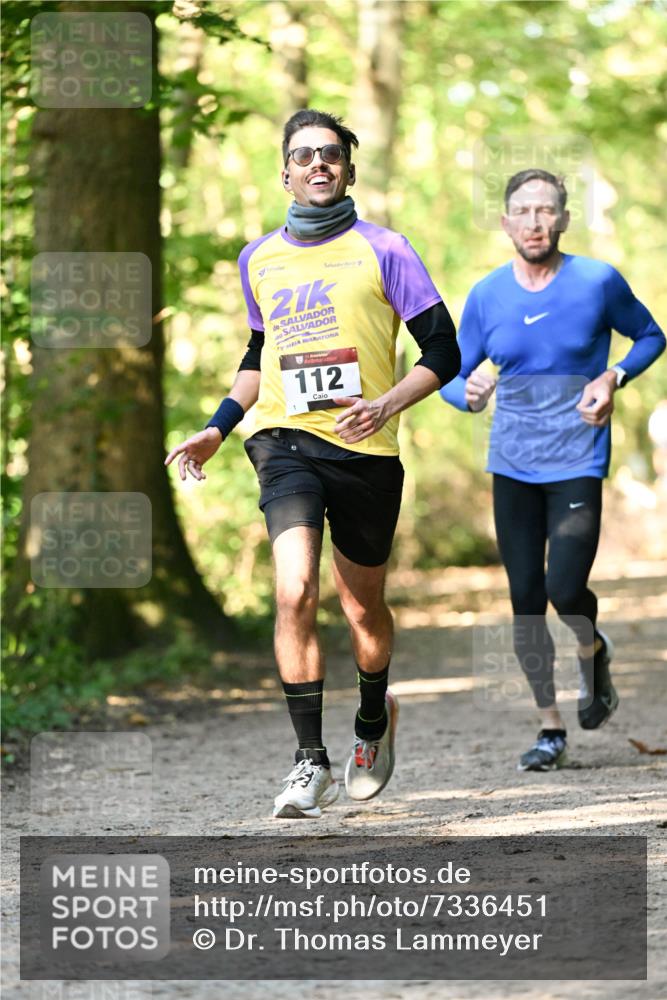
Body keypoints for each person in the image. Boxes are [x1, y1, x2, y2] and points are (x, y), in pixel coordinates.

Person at [165, 109, 460, 817]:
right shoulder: (257, 258)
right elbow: (254, 357)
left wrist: (387, 405)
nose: (318, 165)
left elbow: (443, 353)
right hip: (282, 442)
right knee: (294, 589)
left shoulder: (386, 249)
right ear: (286, 172)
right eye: (304, 156)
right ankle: (309, 762)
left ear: (349, 171)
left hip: (365, 450)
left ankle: (370, 721)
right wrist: (215, 427)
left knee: (363, 610)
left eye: (331, 155)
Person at [440, 168, 665, 772]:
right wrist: (471, 391)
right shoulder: (488, 295)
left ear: (563, 219)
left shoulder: (597, 282)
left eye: (546, 210)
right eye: (523, 211)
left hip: (576, 459)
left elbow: (650, 335)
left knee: (566, 590)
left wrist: (613, 375)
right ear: (506, 221)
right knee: (524, 599)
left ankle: (593, 651)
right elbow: (448, 376)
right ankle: (550, 727)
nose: (535, 221)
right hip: (512, 464)